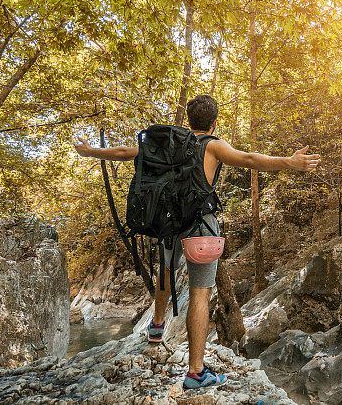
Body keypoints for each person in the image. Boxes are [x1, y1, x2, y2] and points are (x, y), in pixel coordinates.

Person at [73, 95, 320, 389]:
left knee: (166, 271)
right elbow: (251, 160)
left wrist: (91, 152)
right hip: (200, 225)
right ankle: (195, 372)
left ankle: (157, 326)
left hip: (168, 224)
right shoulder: (213, 145)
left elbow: (127, 152)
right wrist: (290, 162)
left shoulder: (167, 145)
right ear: (214, 121)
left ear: (188, 119)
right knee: (200, 295)